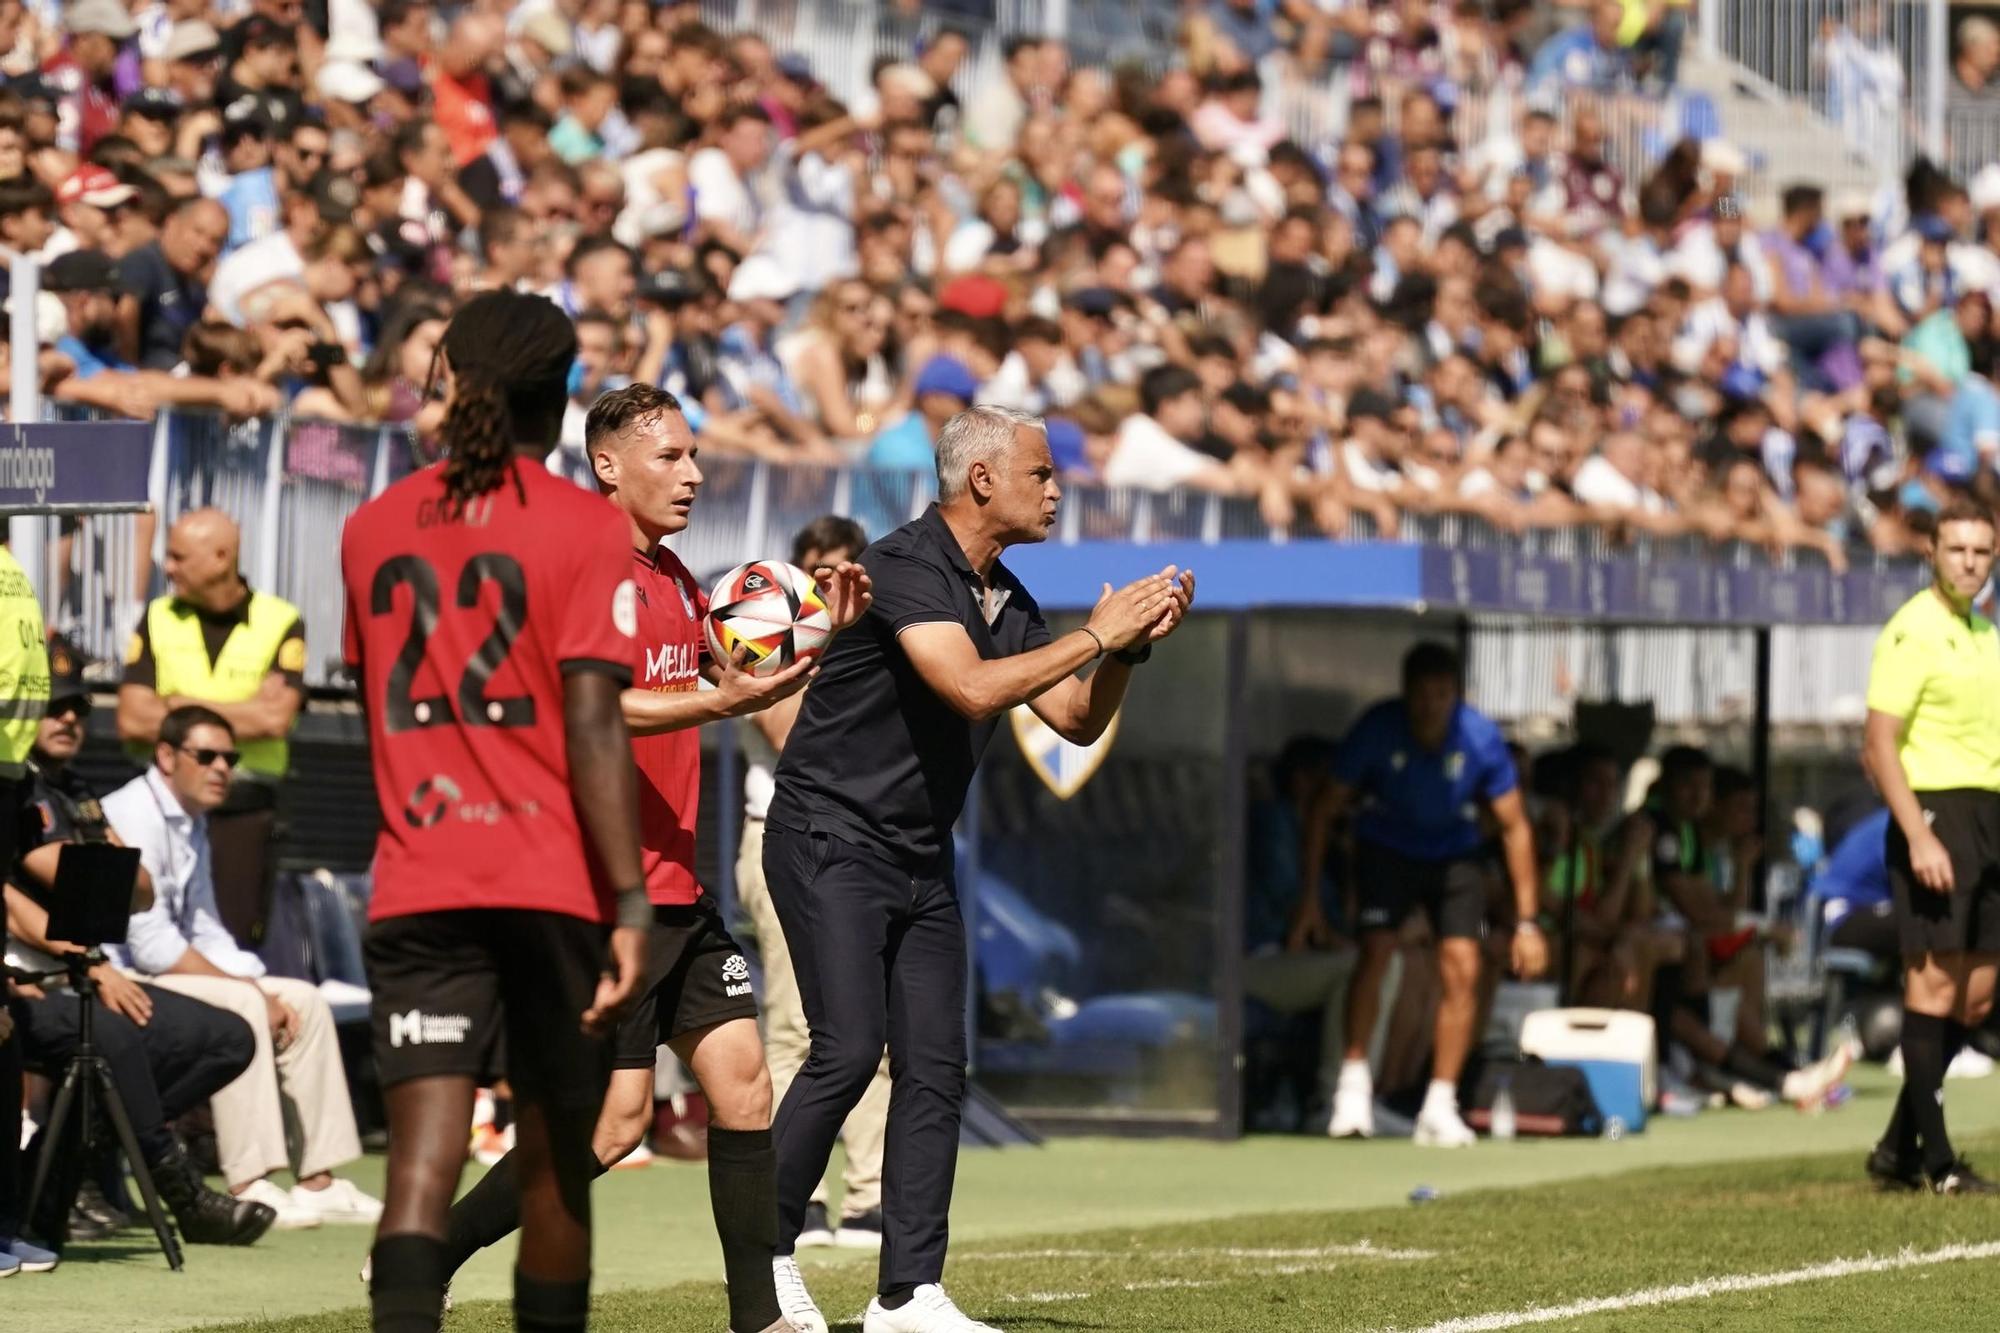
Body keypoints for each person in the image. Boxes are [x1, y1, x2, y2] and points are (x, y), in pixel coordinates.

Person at [433, 381, 870, 1333]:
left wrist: (824, 638)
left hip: (676, 888)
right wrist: (719, 705)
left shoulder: (678, 580)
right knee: (614, 1125)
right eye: (669, 456)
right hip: (594, 894)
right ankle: (433, 1250)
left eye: (694, 455)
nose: (693, 473)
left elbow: (749, 690)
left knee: (744, 1082)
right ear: (606, 464)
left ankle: (757, 1315)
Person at [764, 405, 1194, 1333]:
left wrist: (1129, 645)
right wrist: (1094, 632)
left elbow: (1075, 717)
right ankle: (762, 1258)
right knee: (845, 1048)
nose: (1056, 487)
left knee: (936, 1066)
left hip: (918, 852)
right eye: (1041, 473)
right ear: (983, 480)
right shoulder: (904, 565)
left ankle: (908, 1296)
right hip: (828, 837)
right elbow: (968, 687)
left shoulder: (1007, 593)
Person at [339, 289, 650, 1333]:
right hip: (548, 885)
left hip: (417, 883)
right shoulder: (583, 527)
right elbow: (595, 729)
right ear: (560, 398)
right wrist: (628, 903)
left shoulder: (371, 526)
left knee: (418, 1172)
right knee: (556, 1170)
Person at [4, 646, 273, 1252]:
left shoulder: (76, 791)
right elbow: (30, 878)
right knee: (112, 1038)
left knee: (228, 1037)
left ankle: (71, 1168)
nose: (68, 719)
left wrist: (95, 886)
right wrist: (93, 950)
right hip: (35, 978)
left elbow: (142, 889)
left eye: (77, 708)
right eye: (54, 708)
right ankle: (177, 1190)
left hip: (85, 973)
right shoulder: (15, 788)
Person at [102, 705, 378, 1230]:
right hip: (122, 977)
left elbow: (205, 928)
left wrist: (255, 982)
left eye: (230, 757)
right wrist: (250, 992)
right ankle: (250, 1181)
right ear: (165, 756)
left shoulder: (193, 821)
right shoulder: (132, 814)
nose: (222, 768)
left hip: (163, 969)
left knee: (306, 1001)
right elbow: (150, 942)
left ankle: (318, 1181)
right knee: (247, 1004)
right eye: (206, 756)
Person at [1298, 643, 1550, 1147]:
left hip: (1456, 856)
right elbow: (1325, 808)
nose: (1431, 705)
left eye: (1442, 695)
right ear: (1406, 693)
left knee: (1464, 965)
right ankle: (1352, 1089)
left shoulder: (1480, 739)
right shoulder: (1377, 729)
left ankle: (1440, 1101)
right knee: (1377, 952)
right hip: (1386, 847)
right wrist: (1309, 898)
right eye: (1422, 694)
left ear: (1456, 695)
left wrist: (1527, 922)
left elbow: (1515, 826)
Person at [735, 514, 891, 1251]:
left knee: (872, 1032)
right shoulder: (761, 630)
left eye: (844, 567)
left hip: (862, 844)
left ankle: (868, 1199)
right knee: (798, 1027)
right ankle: (800, 1199)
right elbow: (793, 732)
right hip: (782, 838)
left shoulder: (871, 633)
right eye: (818, 568)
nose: (832, 581)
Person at [1861, 493, 2000, 1194]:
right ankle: (1938, 1163)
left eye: (1982, 550)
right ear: (1933, 553)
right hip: (1938, 815)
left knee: (1974, 1000)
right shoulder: (1914, 630)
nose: (1970, 562)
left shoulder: (1985, 632)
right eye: (1958, 549)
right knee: (1933, 985)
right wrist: (1918, 833)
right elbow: (1878, 742)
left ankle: (1894, 1146)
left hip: (1989, 818)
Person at [116, 509, 305, 947]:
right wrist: (243, 710)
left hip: (242, 810)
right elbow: (131, 718)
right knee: (148, 934)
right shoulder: (157, 617)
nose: (169, 567)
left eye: (179, 556)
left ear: (221, 557)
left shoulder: (280, 620)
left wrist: (180, 705)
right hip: (165, 807)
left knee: (231, 941)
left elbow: (274, 718)